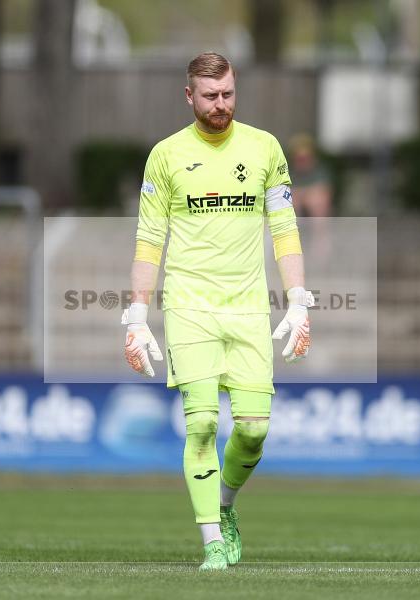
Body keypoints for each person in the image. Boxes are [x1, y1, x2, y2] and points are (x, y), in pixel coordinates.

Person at [121, 52, 314, 570]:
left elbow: (284, 228)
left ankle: (225, 506)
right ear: (189, 96)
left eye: (228, 93)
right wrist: (137, 317)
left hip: (249, 309)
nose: (220, 104)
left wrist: (298, 301)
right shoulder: (165, 156)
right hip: (189, 308)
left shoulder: (265, 148)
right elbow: (148, 239)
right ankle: (212, 544)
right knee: (201, 424)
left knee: (252, 430)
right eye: (210, 96)